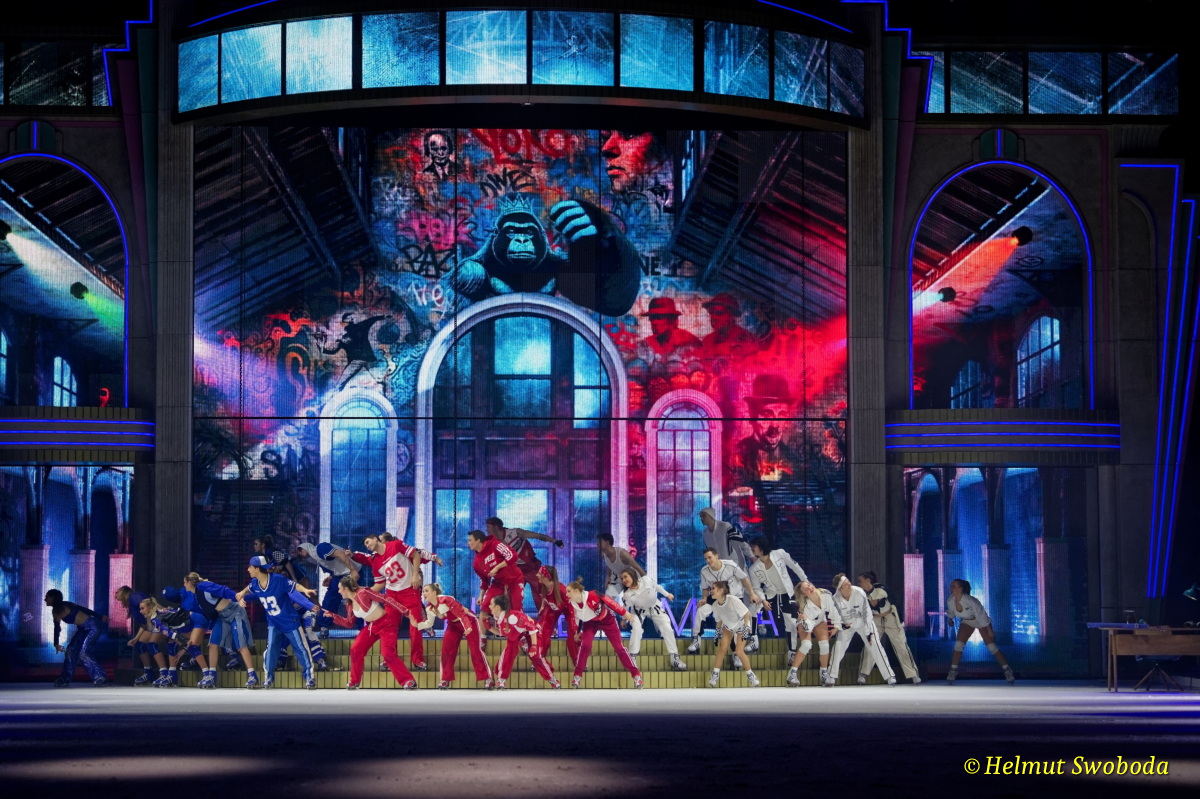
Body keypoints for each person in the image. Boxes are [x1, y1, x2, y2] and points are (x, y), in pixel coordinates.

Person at [333, 532, 443, 670]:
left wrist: (416, 574)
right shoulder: (375, 561)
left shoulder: (395, 545)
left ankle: (417, 660)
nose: (367, 546)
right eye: (365, 545)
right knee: (389, 627)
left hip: (409, 592)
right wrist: (362, 594)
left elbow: (416, 554)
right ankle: (388, 659)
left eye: (368, 542)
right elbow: (379, 584)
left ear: (376, 539)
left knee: (415, 627)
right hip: (392, 595)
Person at [238, 556, 321, 689]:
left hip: (290, 621)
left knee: (301, 648)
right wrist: (241, 594)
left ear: (257, 568)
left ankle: (309, 677)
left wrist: (305, 591)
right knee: (271, 649)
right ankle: (269, 678)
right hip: (273, 623)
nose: (248, 569)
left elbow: (294, 586)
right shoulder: (255, 583)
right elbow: (248, 589)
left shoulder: (278, 579)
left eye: (250, 567)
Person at [325, 575, 418, 690]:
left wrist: (406, 612)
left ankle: (408, 681)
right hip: (372, 626)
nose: (338, 591)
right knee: (356, 649)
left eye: (340, 588)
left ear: (346, 588)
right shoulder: (349, 604)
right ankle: (354, 682)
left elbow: (386, 599)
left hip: (387, 624)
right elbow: (349, 623)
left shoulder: (363, 592)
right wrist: (333, 616)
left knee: (388, 654)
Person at [182, 571, 257, 688]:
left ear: (189, 582)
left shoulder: (203, 586)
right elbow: (209, 613)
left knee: (241, 645)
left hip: (234, 612)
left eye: (184, 583)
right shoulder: (196, 595)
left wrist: (237, 597)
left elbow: (223, 590)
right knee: (213, 644)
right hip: (221, 616)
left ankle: (253, 676)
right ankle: (211, 677)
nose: (184, 585)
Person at [566, 577, 643, 688]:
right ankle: (577, 676)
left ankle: (636, 676)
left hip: (608, 620)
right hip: (590, 623)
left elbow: (610, 602)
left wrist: (624, 613)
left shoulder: (593, 595)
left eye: (569, 591)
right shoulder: (571, 604)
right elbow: (578, 618)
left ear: (576, 591)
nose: (566, 594)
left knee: (619, 648)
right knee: (585, 646)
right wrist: (577, 632)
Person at [687, 548, 765, 654]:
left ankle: (737, 653)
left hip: (734, 598)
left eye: (710, 557)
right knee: (701, 611)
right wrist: (704, 598)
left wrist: (752, 593)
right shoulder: (704, 571)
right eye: (706, 559)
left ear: (716, 556)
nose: (708, 560)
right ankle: (696, 640)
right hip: (716, 598)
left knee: (736, 624)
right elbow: (705, 588)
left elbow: (744, 578)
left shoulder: (730, 565)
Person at [414, 583, 491, 689]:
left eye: (426, 591)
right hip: (453, 625)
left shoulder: (446, 600)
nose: (424, 593)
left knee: (475, 650)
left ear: (434, 592)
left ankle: (488, 679)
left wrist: (468, 627)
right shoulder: (429, 608)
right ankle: (445, 679)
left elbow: (461, 615)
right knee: (446, 650)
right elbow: (429, 624)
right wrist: (417, 625)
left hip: (469, 621)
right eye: (423, 591)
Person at [733, 374, 803, 486]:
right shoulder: (737, 455)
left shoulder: (794, 459)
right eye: (767, 415)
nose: (775, 425)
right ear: (752, 416)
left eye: (781, 415)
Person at [827, 573, 896, 687]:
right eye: (846, 584)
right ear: (840, 588)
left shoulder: (859, 592)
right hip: (847, 625)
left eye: (848, 581)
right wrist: (842, 626)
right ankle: (831, 676)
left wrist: (869, 633)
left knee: (875, 645)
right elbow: (835, 617)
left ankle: (889, 676)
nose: (849, 584)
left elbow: (867, 613)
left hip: (863, 622)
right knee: (838, 647)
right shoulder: (835, 599)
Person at [747, 538, 809, 664]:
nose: (751, 549)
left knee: (791, 622)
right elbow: (756, 588)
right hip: (770, 595)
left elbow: (795, 566)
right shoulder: (753, 568)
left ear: (761, 547)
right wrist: (763, 600)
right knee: (753, 606)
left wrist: (806, 581)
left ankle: (792, 652)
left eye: (753, 546)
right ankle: (753, 640)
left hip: (787, 593)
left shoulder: (779, 553)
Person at [945, 579, 1015, 684]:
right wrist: (950, 619)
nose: (951, 588)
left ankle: (1007, 670)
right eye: (951, 586)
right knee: (958, 645)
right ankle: (953, 671)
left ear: (961, 588)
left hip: (980, 621)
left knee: (992, 647)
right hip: (967, 622)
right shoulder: (950, 600)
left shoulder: (972, 601)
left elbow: (982, 616)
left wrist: (989, 630)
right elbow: (951, 612)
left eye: (954, 586)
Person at [484, 594, 560, 689]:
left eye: (491, 604)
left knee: (535, 656)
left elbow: (532, 628)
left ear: (497, 607)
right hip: (518, 636)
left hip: (532, 634)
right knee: (509, 651)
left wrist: (534, 646)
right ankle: (501, 680)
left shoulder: (512, 618)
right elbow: (504, 633)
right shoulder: (500, 618)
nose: (489, 606)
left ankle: (552, 680)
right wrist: (490, 628)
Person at [857, 572, 921, 684]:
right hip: (875, 620)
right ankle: (863, 674)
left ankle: (913, 674)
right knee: (870, 645)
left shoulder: (881, 589)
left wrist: (901, 621)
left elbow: (878, 599)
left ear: (868, 581)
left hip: (890, 618)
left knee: (901, 647)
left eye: (860, 581)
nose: (859, 583)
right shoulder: (861, 593)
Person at [617, 568, 686, 671]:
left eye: (625, 577)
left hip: (655, 607)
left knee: (667, 628)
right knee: (636, 629)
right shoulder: (627, 595)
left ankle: (674, 658)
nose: (624, 580)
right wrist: (623, 619)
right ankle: (632, 659)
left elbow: (657, 587)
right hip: (639, 612)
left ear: (632, 575)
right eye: (622, 578)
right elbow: (626, 608)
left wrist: (667, 594)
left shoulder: (646, 580)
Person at [44, 589, 107, 686]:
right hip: (82, 629)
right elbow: (57, 628)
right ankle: (65, 679)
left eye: (47, 597)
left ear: (53, 598)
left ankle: (99, 676)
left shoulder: (66, 605)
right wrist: (56, 644)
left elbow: (84, 609)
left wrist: (99, 616)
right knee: (70, 650)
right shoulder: (55, 611)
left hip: (92, 627)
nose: (45, 599)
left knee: (83, 653)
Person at [706, 581, 761, 688]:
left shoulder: (732, 599)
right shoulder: (714, 605)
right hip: (728, 627)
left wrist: (747, 627)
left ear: (721, 590)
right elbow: (719, 621)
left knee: (739, 651)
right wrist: (717, 633)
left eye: (713, 588)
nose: (711, 591)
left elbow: (747, 614)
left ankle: (751, 677)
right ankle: (715, 676)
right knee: (722, 649)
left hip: (741, 625)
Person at [294, 541, 355, 632]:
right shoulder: (318, 560)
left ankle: (362, 626)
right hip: (340, 576)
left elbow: (340, 554)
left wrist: (353, 570)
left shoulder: (320, 548)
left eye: (300, 551)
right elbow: (336, 567)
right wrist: (331, 577)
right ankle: (324, 626)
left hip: (351, 573)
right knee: (329, 601)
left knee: (355, 600)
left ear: (304, 548)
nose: (300, 554)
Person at [786, 581, 837, 687]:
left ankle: (824, 673)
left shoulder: (825, 593)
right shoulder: (803, 606)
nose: (809, 588)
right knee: (806, 644)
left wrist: (836, 626)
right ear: (804, 594)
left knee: (825, 645)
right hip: (806, 621)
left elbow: (834, 610)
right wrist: (804, 620)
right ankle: (792, 674)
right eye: (806, 589)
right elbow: (807, 625)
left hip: (820, 620)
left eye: (809, 585)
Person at [486, 516, 563, 586]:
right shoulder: (493, 543)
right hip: (516, 571)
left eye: (488, 527)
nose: (487, 530)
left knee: (540, 591)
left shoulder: (516, 533)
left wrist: (555, 541)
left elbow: (538, 536)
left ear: (496, 527)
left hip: (531, 567)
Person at [114, 585, 165, 685]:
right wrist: (135, 638)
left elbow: (151, 605)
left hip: (159, 621)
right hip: (151, 624)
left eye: (118, 591)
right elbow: (143, 624)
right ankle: (148, 673)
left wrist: (163, 611)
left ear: (124, 591)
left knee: (152, 644)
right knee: (140, 644)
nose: (115, 594)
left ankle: (165, 673)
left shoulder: (134, 597)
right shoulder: (131, 601)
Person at [467, 528, 526, 613]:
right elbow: (484, 580)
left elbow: (513, 556)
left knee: (516, 610)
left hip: (514, 580)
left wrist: (497, 567)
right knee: (484, 608)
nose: (468, 543)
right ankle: (489, 622)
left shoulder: (495, 544)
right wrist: (481, 595)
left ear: (478, 540)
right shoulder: (476, 563)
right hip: (498, 583)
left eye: (470, 540)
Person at [532, 565, 579, 667]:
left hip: (569, 609)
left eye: (539, 573)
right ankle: (539, 659)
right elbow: (545, 600)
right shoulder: (541, 585)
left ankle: (579, 662)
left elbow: (572, 607)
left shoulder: (562, 590)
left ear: (546, 576)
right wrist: (542, 612)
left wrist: (574, 626)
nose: (537, 575)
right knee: (543, 631)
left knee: (572, 636)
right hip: (553, 608)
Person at [696, 293, 758, 359]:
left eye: (719, 311)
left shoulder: (747, 339)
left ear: (732, 315)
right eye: (711, 311)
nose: (713, 316)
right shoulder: (708, 340)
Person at [597, 532, 645, 601]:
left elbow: (637, 567)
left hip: (633, 580)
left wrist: (647, 581)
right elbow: (610, 566)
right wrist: (608, 578)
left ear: (607, 542)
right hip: (620, 580)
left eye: (599, 542)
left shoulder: (622, 553)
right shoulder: (604, 555)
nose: (597, 544)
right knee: (608, 596)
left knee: (632, 601)